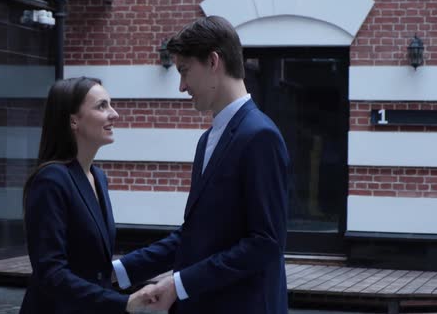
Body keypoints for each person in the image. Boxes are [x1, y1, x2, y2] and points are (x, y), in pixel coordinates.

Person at [112, 16, 291, 314]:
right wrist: (120, 270)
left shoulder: (261, 136)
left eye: (184, 71)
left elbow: (265, 243)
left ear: (213, 61)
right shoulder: (208, 139)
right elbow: (195, 234)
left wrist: (177, 285)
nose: (182, 86)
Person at [19, 77, 155, 314]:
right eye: (102, 106)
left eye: (110, 104)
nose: (114, 114)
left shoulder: (98, 177)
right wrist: (122, 303)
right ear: (74, 120)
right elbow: (51, 273)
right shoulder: (51, 180)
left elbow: (95, 268)